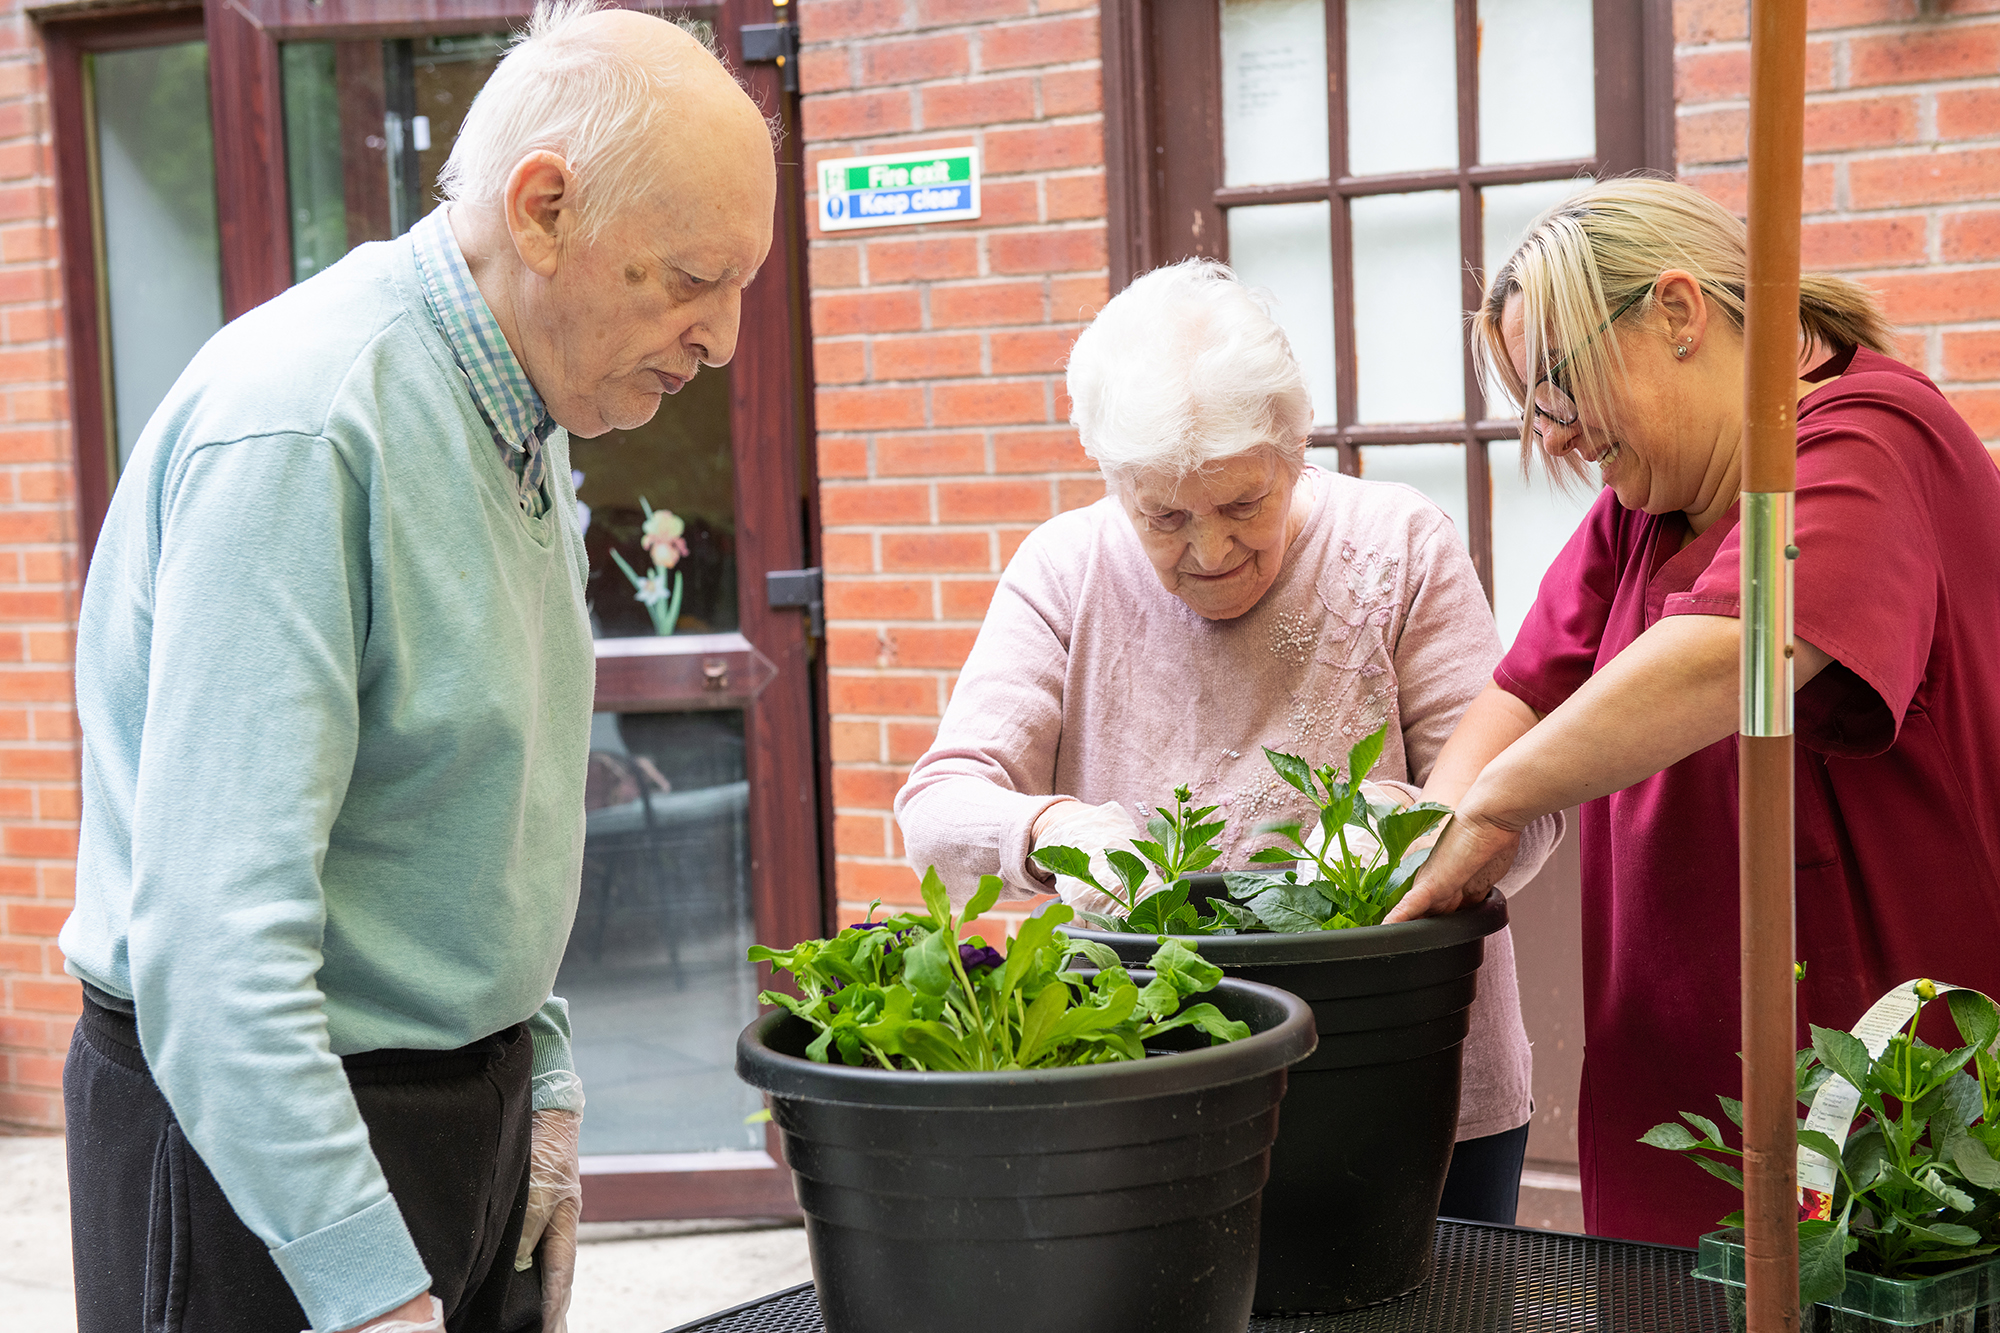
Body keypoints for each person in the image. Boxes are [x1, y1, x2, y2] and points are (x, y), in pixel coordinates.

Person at [58, 5, 775, 1331]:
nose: (723, 339)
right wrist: (363, 1281)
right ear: (544, 209)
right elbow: (217, 951)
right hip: (261, 1147)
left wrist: (539, 1074)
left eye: (740, 289)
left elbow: (483, 794)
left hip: (448, 1111)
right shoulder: (308, 424)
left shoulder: (522, 409)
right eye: (689, 281)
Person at [1394, 177, 2000, 1246]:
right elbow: (1524, 691)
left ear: (1676, 313)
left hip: (1873, 1080)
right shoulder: (1646, 504)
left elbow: (1740, 643)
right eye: (1539, 408)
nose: (1562, 436)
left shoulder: (1870, 436)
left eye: (1563, 387)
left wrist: (1491, 800)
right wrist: (1427, 838)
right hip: (1675, 1084)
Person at [895, 259, 1563, 1222]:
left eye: (1244, 505)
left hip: (1407, 1078)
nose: (1208, 552)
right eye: (1165, 516)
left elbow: (1524, 808)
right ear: (1115, 483)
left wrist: (1421, 832)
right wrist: (1054, 828)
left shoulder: (1400, 544)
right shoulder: (1064, 568)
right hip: (1154, 1082)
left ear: (1296, 452)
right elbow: (941, 801)